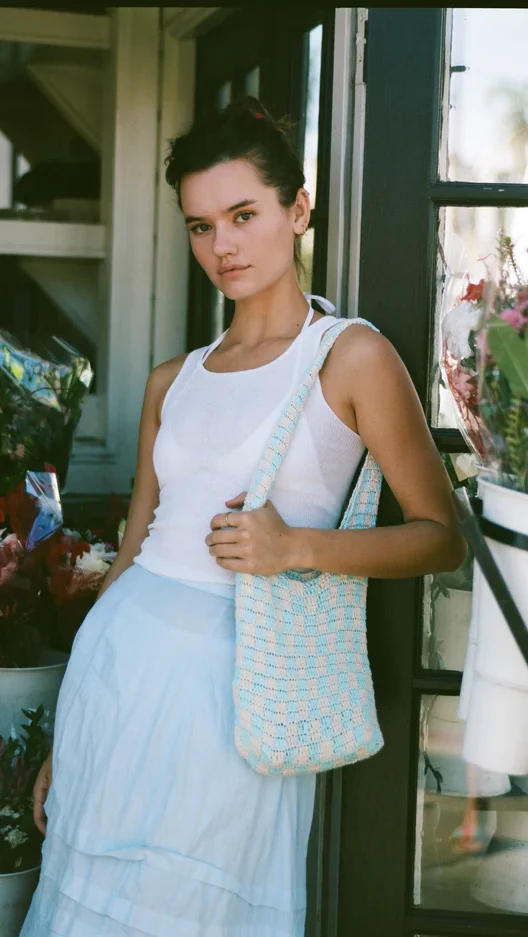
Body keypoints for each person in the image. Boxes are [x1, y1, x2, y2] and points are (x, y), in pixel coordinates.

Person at [21, 96, 466, 937]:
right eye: (199, 226)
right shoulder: (172, 377)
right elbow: (131, 556)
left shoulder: (349, 356)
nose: (221, 246)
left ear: (297, 211)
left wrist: (294, 543)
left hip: (236, 704)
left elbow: (438, 534)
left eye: (243, 215)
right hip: (118, 678)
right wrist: (64, 742)